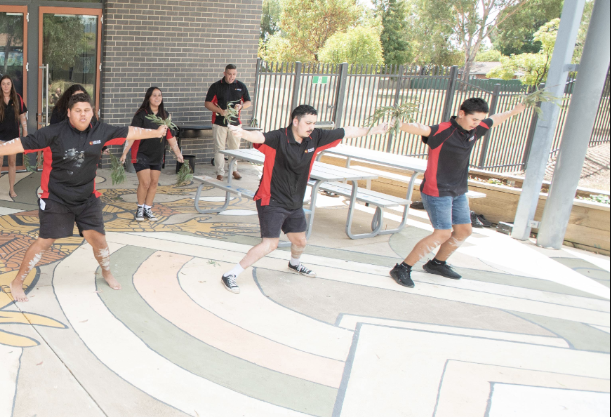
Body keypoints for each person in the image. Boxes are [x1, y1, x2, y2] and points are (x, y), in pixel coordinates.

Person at [0, 91, 167, 303]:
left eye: (87, 110)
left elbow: (130, 131)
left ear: (93, 112)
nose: (83, 115)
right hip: (56, 197)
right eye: (78, 111)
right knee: (44, 242)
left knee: (99, 241)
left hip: (86, 197)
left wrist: (156, 133)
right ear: (69, 113)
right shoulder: (54, 132)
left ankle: (106, 272)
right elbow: (22, 143)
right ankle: (17, 281)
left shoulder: (101, 130)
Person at [218, 104, 389, 293]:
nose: (311, 127)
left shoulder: (315, 137)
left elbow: (346, 131)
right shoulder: (279, 137)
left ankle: (294, 263)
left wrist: (375, 129)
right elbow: (259, 137)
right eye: (308, 123)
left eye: (314, 123)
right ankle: (231, 274)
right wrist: (242, 133)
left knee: (300, 241)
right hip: (271, 199)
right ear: (295, 121)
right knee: (270, 244)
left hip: (295, 201)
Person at [389, 98, 528, 288]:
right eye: (474, 119)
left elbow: (495, 119)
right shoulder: (443, 130)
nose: (476, 124)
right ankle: (402, 268)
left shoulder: (475, 129)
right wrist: (396, 122)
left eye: (480, 120)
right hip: (437, 190)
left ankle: (436, 264)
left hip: (458, 190)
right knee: (442, 233)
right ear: (461, 113)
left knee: (464, 231)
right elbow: (421, 129)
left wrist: (514, 111)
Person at [120, 87, 184, 221]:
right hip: (141, 153)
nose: (157, 98)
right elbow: (132, 134)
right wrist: (125, 153)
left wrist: (178, 153)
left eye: (159, 95)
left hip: (157, 154)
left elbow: (170, 136)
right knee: (145, 182)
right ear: (148, 97)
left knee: (154, 183)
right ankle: (140, 208)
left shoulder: (164, 115)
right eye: (154, 95)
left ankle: (147, 209)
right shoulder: (141, 114)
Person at [205, 64, 252, 181]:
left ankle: (234, 170)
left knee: (234, 148)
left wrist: (241, 106)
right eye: (229, 74)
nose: (232, 77)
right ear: (224, 73)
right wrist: (220, 111)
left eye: (234, 74)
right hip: (219, 122)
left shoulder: (241, 86)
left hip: (235, 123)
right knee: (219, 148)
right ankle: (219, 172)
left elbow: (248, 102)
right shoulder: (216, 86)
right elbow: (207, 103)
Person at [0, 75, 27, 200]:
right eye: (3, 84)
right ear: (0, 86)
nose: (6, 86)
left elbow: (22, 117)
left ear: (11, 85)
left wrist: (25, 131)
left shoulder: (18, 98)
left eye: (8, 83)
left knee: (12, 162)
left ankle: (12, 189)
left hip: (13, 136)